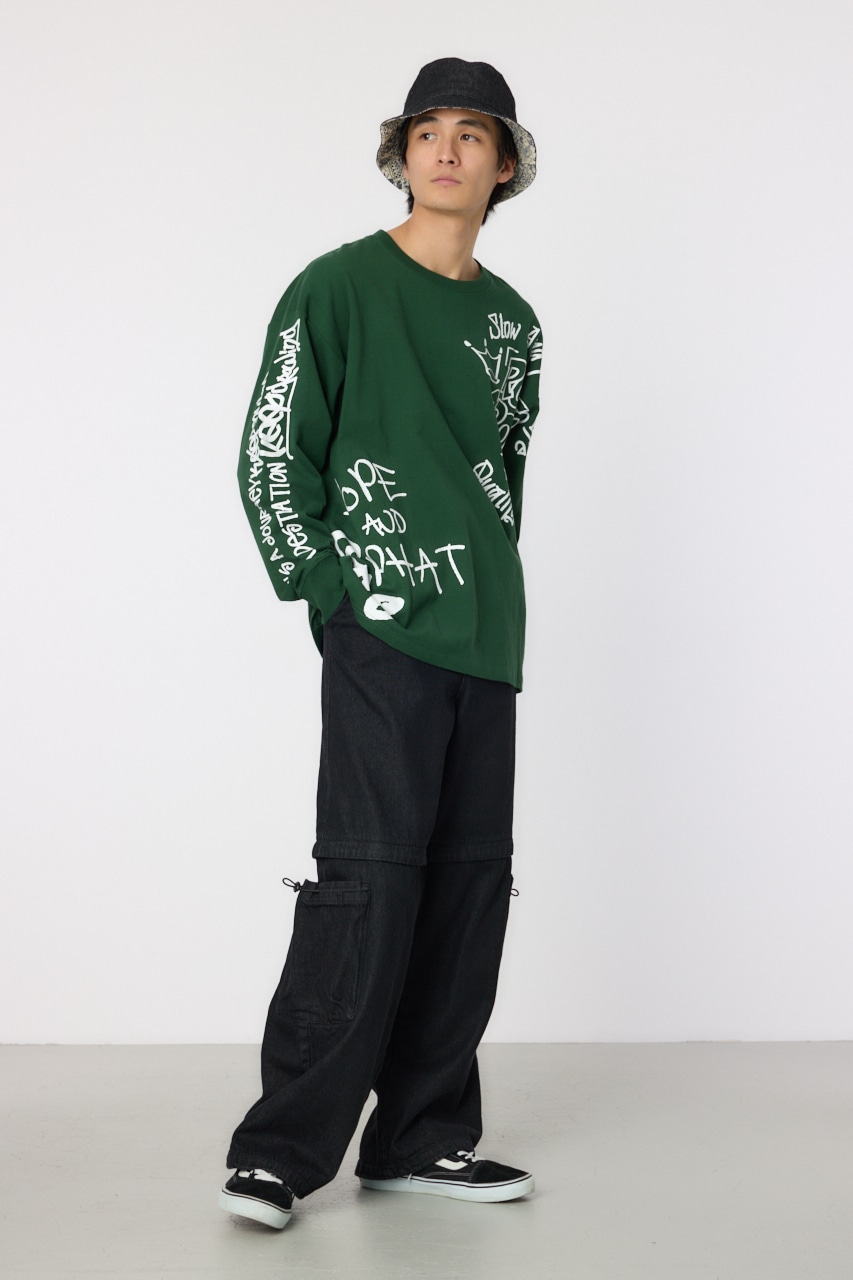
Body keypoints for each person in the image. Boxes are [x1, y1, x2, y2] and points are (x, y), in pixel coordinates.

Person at [219, 56, 543, 1231]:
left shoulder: (513, 324)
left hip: (485, 636)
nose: (446, 149)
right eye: (427, 130)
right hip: (385, 627)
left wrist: (488, 595)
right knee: (366, 879)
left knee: (468, 887)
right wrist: (332, 589)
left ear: (503, 165)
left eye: (473, 133)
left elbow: (502, 479)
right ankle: (280, 1149)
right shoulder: (338, 286)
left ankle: (419, 1135)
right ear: (401, 155)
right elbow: (272, 449)